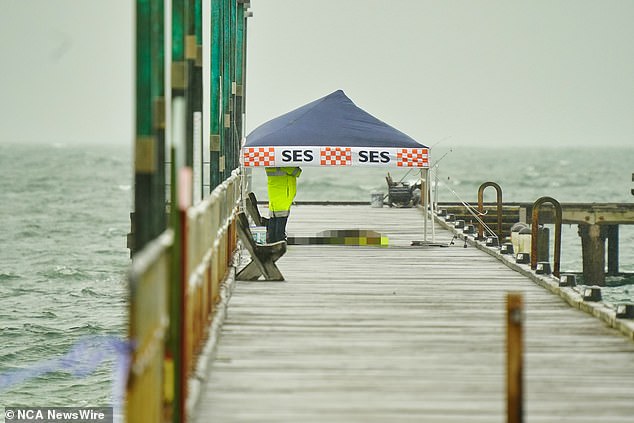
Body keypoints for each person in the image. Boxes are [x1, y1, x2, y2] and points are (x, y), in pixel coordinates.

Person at [265, 166, 302, 243]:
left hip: (274, 191)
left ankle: (271, 238)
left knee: (274, 216)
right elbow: (297, 172)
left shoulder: (269, 164)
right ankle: (280, 239)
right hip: (284, 193)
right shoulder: (284, 165)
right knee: (281, 216)